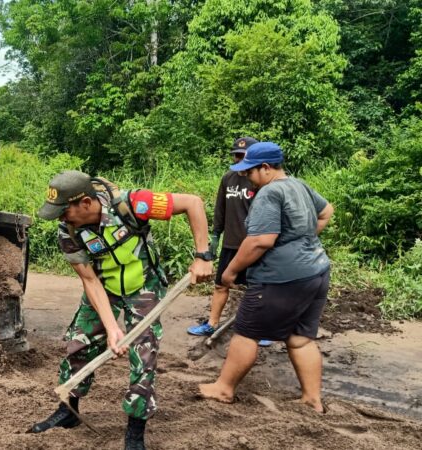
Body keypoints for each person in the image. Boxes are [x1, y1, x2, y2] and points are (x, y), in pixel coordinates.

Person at [30, 170, 214, 450]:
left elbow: (192, 202)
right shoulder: (67, 230)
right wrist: (112, 328)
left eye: (64, 211)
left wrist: (203, 255)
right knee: (79, 343)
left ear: (87, 204)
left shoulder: (133, 203)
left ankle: (135, 432)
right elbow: (89, 280)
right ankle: (69, 410)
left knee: (143, 356)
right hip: (104, 287)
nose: (60, 218)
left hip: (144, 288)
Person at [198, 142, 334, 413]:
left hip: (281, 278)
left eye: (249, 171)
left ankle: (224, 389)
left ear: (266, 168)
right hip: (316, 270)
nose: (246, 176)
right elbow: (326, 211)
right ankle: (311, 398)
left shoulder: (269, 193)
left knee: (246, 333)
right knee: (300, 337)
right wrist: (301, 241)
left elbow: (260, 240)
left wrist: (231, 271)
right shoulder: (299, 184)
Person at [187, 137, 272, 346]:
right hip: (231, 244)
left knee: (259, 288)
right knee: (220, 284)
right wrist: (215, 237)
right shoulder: (228, 179)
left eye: (242, 155)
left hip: (253, 245)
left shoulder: (260, 182)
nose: (238, 158)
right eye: (236, 154)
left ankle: (263, 329)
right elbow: (220, 210)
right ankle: (212, 323)